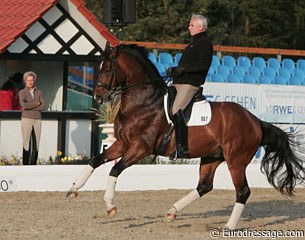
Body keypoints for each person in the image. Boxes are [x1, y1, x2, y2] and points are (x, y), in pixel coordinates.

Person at [168, 15, 213, 159]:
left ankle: (182, 148)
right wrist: (175, 70)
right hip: (179, 83)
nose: (189, 27)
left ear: (201, 27)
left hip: (190, 85)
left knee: (176, 110)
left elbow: (203, 64)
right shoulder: (192, 44)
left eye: (191, 25)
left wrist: (183, 69)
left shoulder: (205, 43)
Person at [19, 71, 46, 165]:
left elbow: (44, 106)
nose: (30, 82)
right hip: (26, 120)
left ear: (34, 80)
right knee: (26, 143)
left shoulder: (39, 92)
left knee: (36, 143)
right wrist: (36, 103)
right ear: (25, 81)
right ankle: (25, 165)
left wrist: (32, 106)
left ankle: (33, 164)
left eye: (32, 80)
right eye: (28, 80)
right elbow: (24, 106)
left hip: (38, 120)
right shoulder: (22, 92)